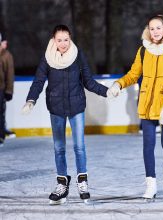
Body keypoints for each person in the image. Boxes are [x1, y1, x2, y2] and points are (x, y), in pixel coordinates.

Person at [22, 24, 112, 205]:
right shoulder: (47, 58)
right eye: (59, 40)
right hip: (56, 107)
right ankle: (62, 185)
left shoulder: (78, 56)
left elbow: (88, 81)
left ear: (70, 38)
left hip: (76, 106)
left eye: (66, 39)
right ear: (53, 40)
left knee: (79, 146)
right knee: (59, 148)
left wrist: (107, 91)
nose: (63, 44)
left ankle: (82, 182)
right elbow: (39, 81)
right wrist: (31, 99)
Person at [108, 15, 163, 199]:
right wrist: (119, 84)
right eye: (151, 28)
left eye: (158, 28)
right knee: (148, 145)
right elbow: (134, 74)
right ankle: (151, 184)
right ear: (148, 30)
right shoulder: (144, 50)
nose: (155, 32)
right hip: (148, 104)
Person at [0, 32, 15, 147]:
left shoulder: (6, 55)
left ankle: (0, 136)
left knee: (0, 113)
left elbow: (9, 75)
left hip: (1, 89)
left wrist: (9, 91)